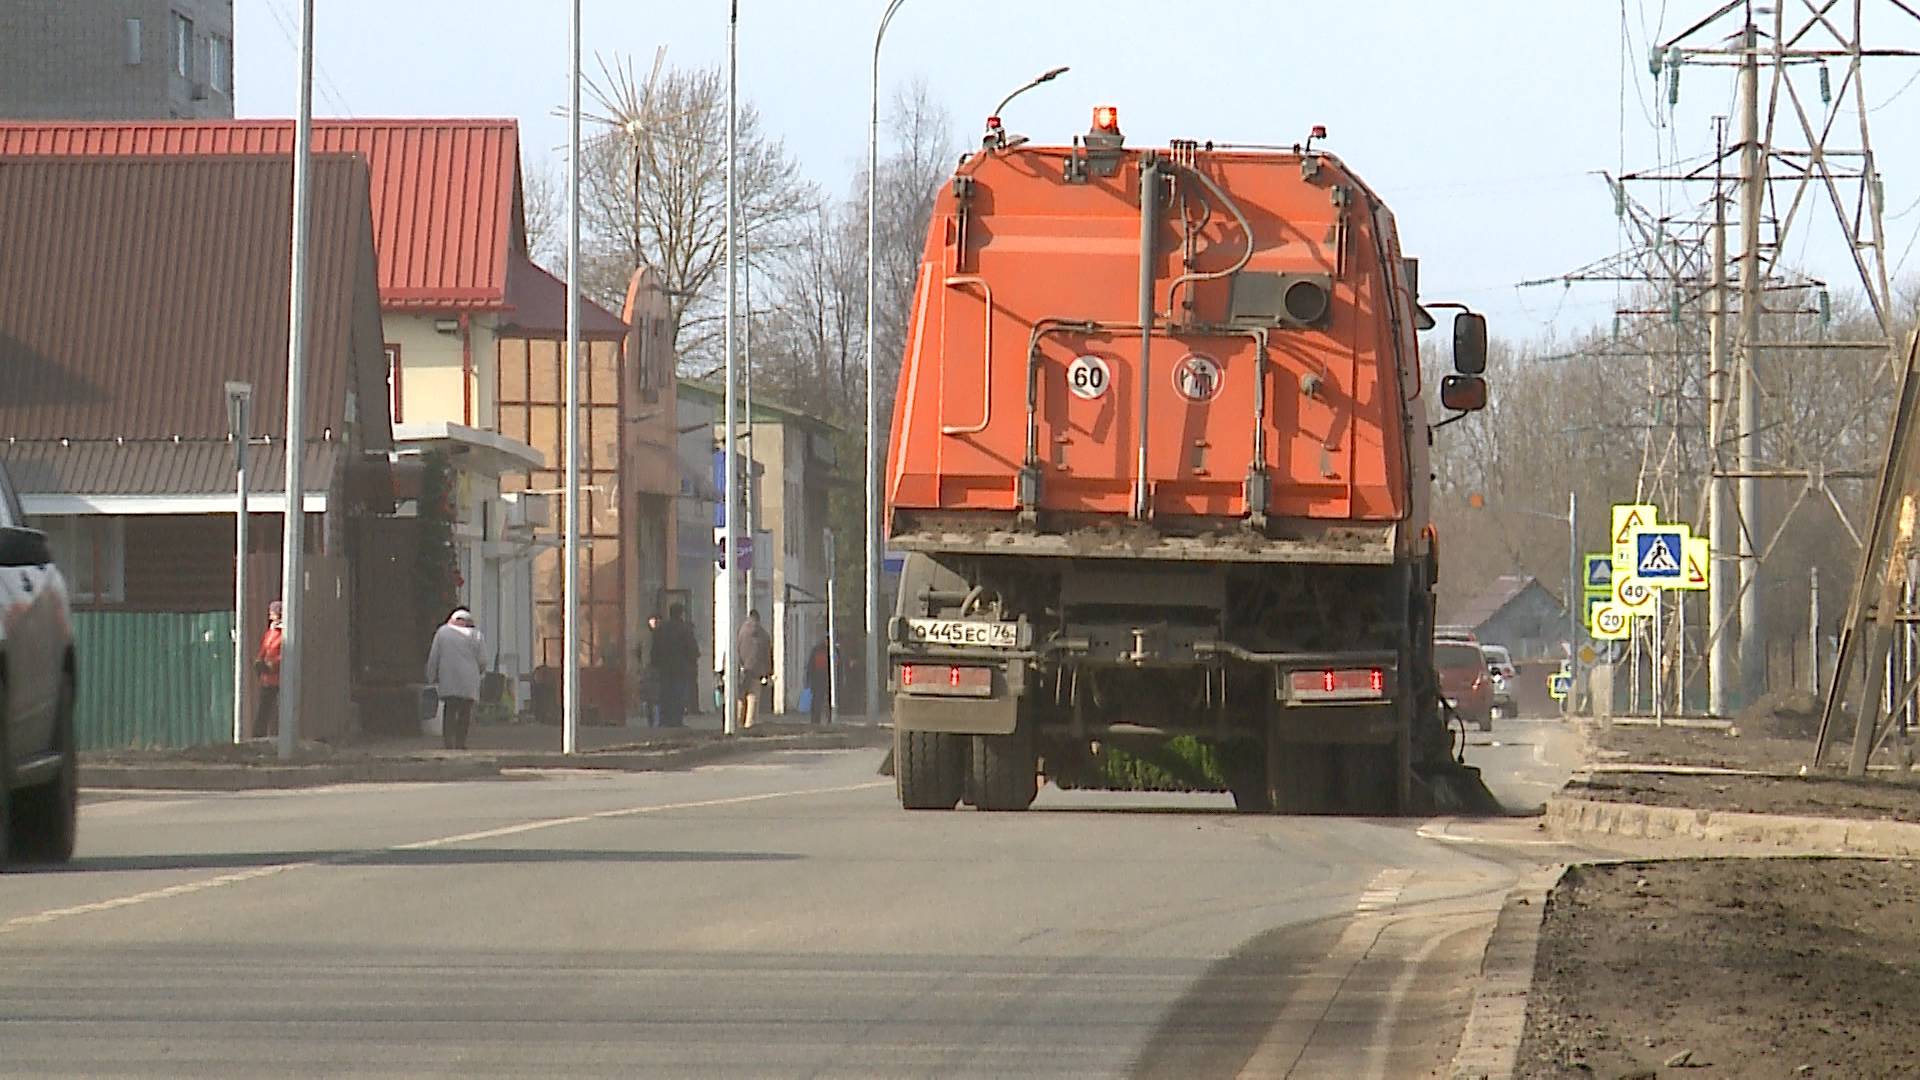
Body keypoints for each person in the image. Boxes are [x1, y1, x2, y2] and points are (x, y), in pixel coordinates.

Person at [425, 607, 487, 750]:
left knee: (450, 710)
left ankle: (448, 741)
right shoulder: (476, 635)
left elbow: (434, 656)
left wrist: (430, 676)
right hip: (469, 680)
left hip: (448, 678)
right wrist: (480, 672)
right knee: (465, 712)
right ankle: (460, 742)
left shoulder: (442, 632)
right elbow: (483, 660)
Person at [651, 604, 699, 729]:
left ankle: (664, 720)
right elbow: (692, 649)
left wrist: (655, 663)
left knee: (665, 694)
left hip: (664, 668)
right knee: (678, 695)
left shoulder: (661, 629)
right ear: (681, 613)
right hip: (680, 668)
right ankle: (676, 720)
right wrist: (692, 660)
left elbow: (654, 649)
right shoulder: (685, 629)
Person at [736, 609, 773, 729]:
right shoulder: (764, 635)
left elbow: (734, 649)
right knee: (753, 697)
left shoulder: (740, 632)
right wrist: (768, 672)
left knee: (740, 697)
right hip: (757, 670)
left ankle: (737, 722)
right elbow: (767, 655)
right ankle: (749, 723)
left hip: (741, 670)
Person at [252, 600, 284, 739]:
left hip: (279, 679)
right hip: (268, 679)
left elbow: (285, 655)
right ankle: (258, 736)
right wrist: (258, 662)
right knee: (263, 709)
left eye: (273, 613)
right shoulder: (270, 632)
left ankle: (281, 737)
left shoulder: (284, 632)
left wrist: (272, 665)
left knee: (278, 710)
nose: (270, 616)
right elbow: (264, 649)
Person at [805, 638, 832, 725]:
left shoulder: (832, 650)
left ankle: (828, 719)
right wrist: (809, 679)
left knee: (826, 700)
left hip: (825, 679)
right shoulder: (817, 650)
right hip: (818, 679)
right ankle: (815, 720)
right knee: (817, 700)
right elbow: (811, 666)